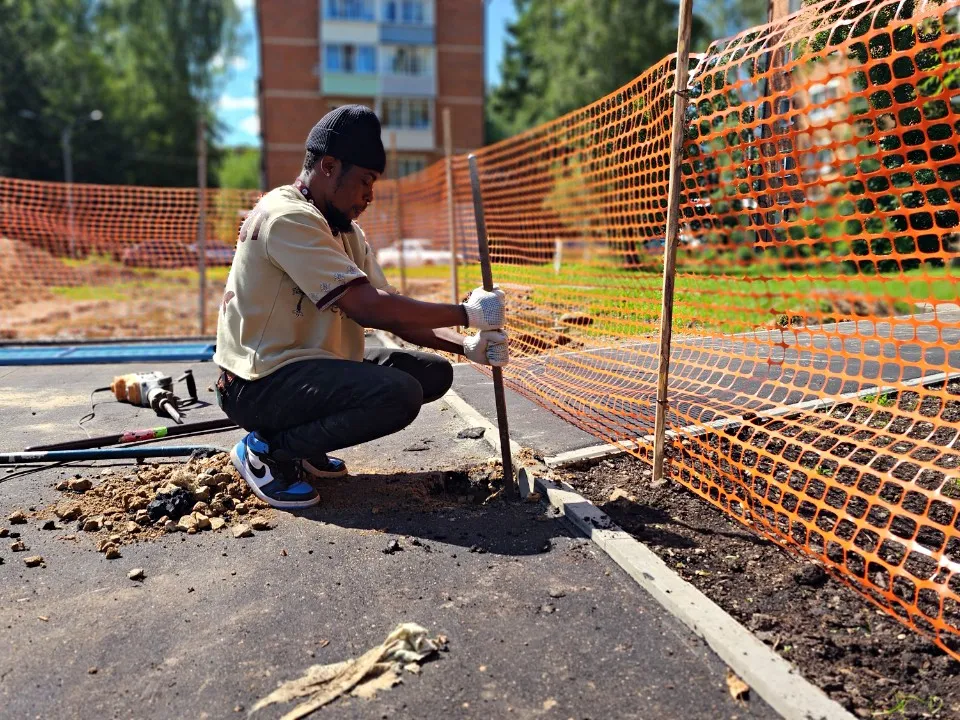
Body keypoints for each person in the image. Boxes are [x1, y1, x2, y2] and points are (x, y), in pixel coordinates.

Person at [213, 105, 508, 509]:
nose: (369, 196)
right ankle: (268, 450)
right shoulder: (287, 217)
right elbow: (369, 308)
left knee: (431, 373)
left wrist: (467, 346)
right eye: (365, 181)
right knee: (397, 395)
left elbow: (393, 312)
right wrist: (466, 312)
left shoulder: (343, 228)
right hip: (258, 383)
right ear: (330, 166)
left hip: (303, 366)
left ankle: (304, 444)